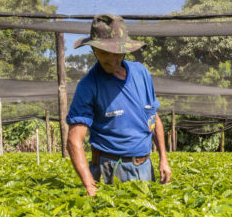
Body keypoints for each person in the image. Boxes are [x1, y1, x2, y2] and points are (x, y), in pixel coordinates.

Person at [66, 14, 172, 196]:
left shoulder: (141, 73)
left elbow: (153, 116)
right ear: (94, 50)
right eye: (104, 52)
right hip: (111, 169)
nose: (112, 59)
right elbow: (74, 140)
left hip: (145, 167)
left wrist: (163, 158)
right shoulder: (89, 85)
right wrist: (90, 186)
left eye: (117, 52)